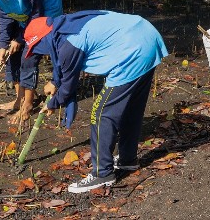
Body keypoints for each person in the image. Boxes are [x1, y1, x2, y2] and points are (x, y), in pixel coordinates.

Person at [24, 10, 169, 193]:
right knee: (130, 109)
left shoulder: (69, 43)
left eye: (37, 48)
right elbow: (64, 64)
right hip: (146, 36)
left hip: (133, 52)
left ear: (43, 40)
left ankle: (102, 173)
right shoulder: (66, 26)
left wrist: (53, 103)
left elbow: (68, 86)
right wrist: (55, 81)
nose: (41, 53)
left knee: (101, 114)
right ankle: (127, 160)